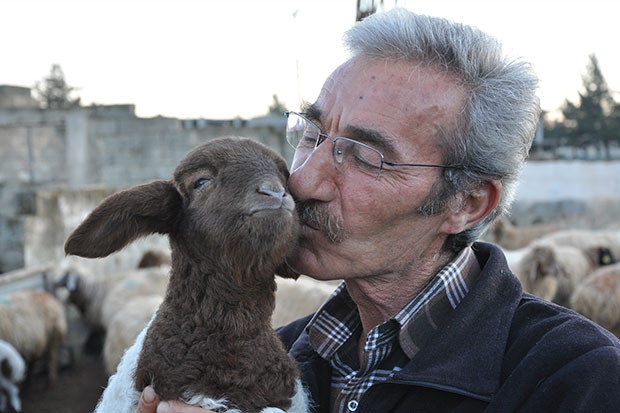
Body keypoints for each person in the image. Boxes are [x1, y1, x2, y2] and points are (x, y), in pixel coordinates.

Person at [137, 8, 620, 413]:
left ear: (466, 204)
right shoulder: (274, 357)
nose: (302, 181)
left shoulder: (578, 380)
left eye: (366, 156)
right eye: (311, 136)